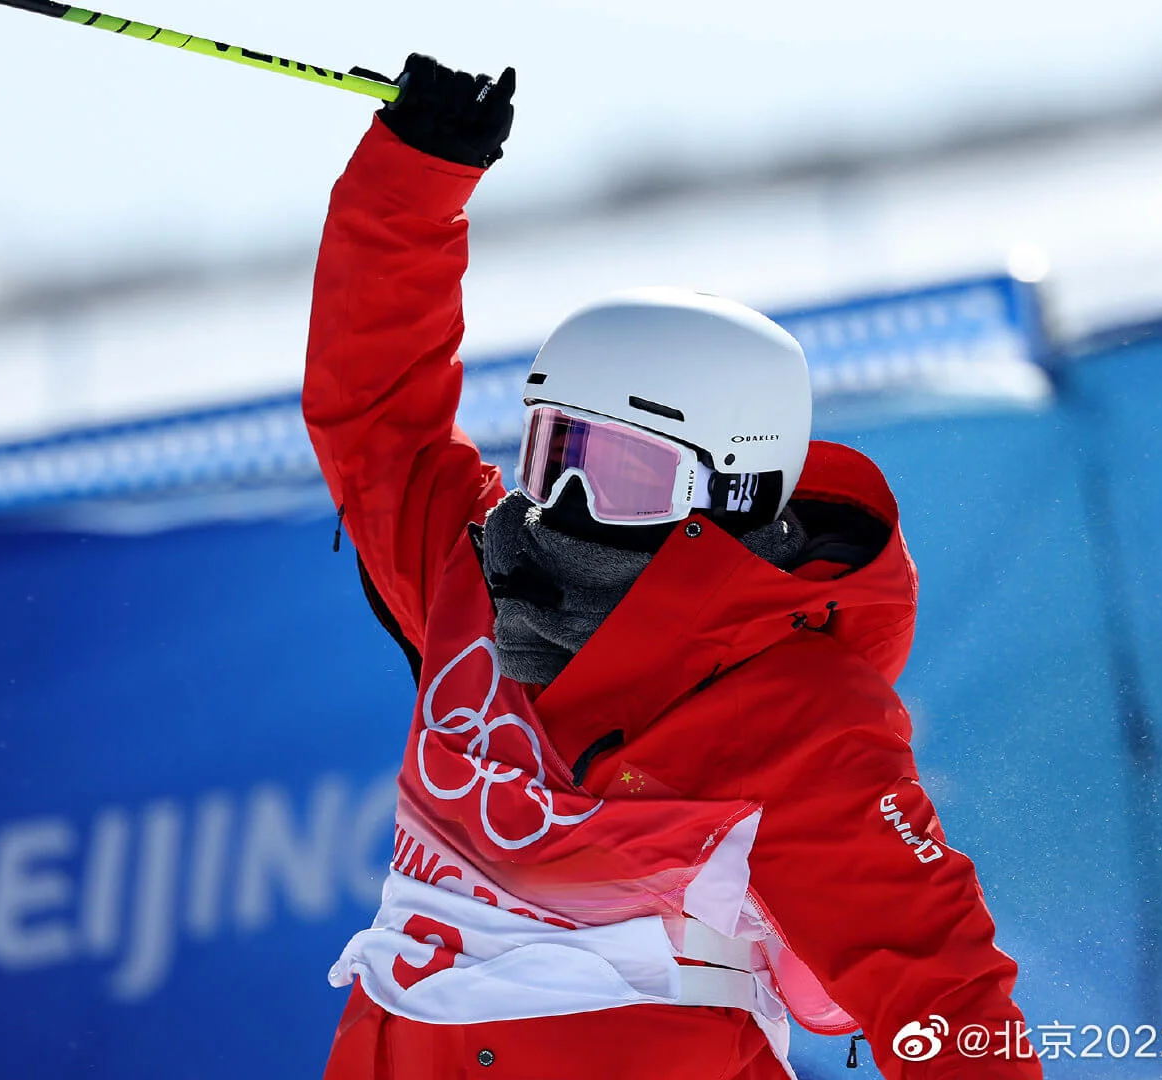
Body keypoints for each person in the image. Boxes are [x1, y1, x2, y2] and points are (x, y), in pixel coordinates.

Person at [305, 53, 1041, 1080]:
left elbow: (940, 987)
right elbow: (374, 416)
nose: (567, 503)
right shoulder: (477, 578)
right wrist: (416, 170)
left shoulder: (792, 710)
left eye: (622, 472)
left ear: (732, 490)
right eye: (554, 452)